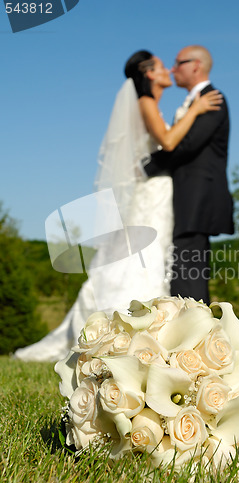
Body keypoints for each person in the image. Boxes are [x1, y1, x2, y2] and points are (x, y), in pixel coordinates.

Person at [14, 50, 222, 362]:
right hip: (151, 193)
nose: (168, 69)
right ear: (148, 73)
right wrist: (196, 110)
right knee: (142, 258)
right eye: (161, 65)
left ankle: (149, 335)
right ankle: (124, 330)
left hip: (156, 193)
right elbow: (167, 141)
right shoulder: (146, 103)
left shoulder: (149, 104)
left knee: (151, 257)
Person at [144, 45, 234, 305]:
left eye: (178, 63)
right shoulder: (195, 102)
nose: (173, 69)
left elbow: (187, 145)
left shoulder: (213, 99)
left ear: (196, 65)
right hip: (183, 198)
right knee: (180, 273)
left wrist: (145, 167)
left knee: (189, 277)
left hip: (197, 201)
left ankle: (196, 341)